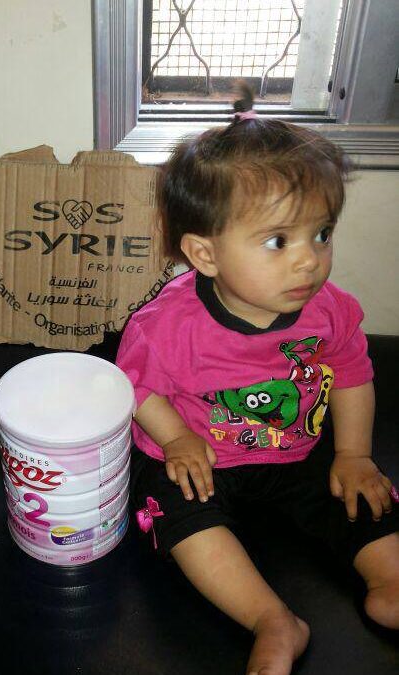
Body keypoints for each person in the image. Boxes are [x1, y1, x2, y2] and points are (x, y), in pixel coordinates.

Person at [116, 84, 399, 675]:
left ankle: (390, 577)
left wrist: (353, 454)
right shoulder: (166, 326)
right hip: (202, 458)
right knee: (177, 512)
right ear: (206, 255)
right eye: (278, 241)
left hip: (299, 451)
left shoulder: (330, 311)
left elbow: (352, 373)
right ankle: (272, 620)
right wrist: (175, 438)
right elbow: (137, 387)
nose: (309, 259)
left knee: (363, 493)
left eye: (322, 234)